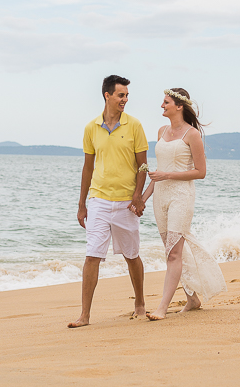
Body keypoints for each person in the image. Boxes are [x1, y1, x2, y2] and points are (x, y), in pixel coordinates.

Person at [68, 75, 149, 328]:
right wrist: (82, 204)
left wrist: (137, 196)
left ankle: (140, 303)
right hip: (99, 200)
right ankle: (85, 315)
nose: (125, 99)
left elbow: (143, 165)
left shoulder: (134, 125)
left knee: (131, 255)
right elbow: (87, 168)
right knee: (92, 255)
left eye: (126, 95)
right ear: (107, 96)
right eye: (121, 95)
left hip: (126, 201)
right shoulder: (91, 127)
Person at [141, 88, 226, 320]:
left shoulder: (192, 135)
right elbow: (157, 173)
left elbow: (201, 172)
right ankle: (192, 299)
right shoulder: (161, 131)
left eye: (166, 102)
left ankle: (162, 308)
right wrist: (143, 198)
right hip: (161, 197)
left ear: (179, 106)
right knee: (171, 251)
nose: (161, 106)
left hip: (181, 196)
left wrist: (167, 175)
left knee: (174, 254)